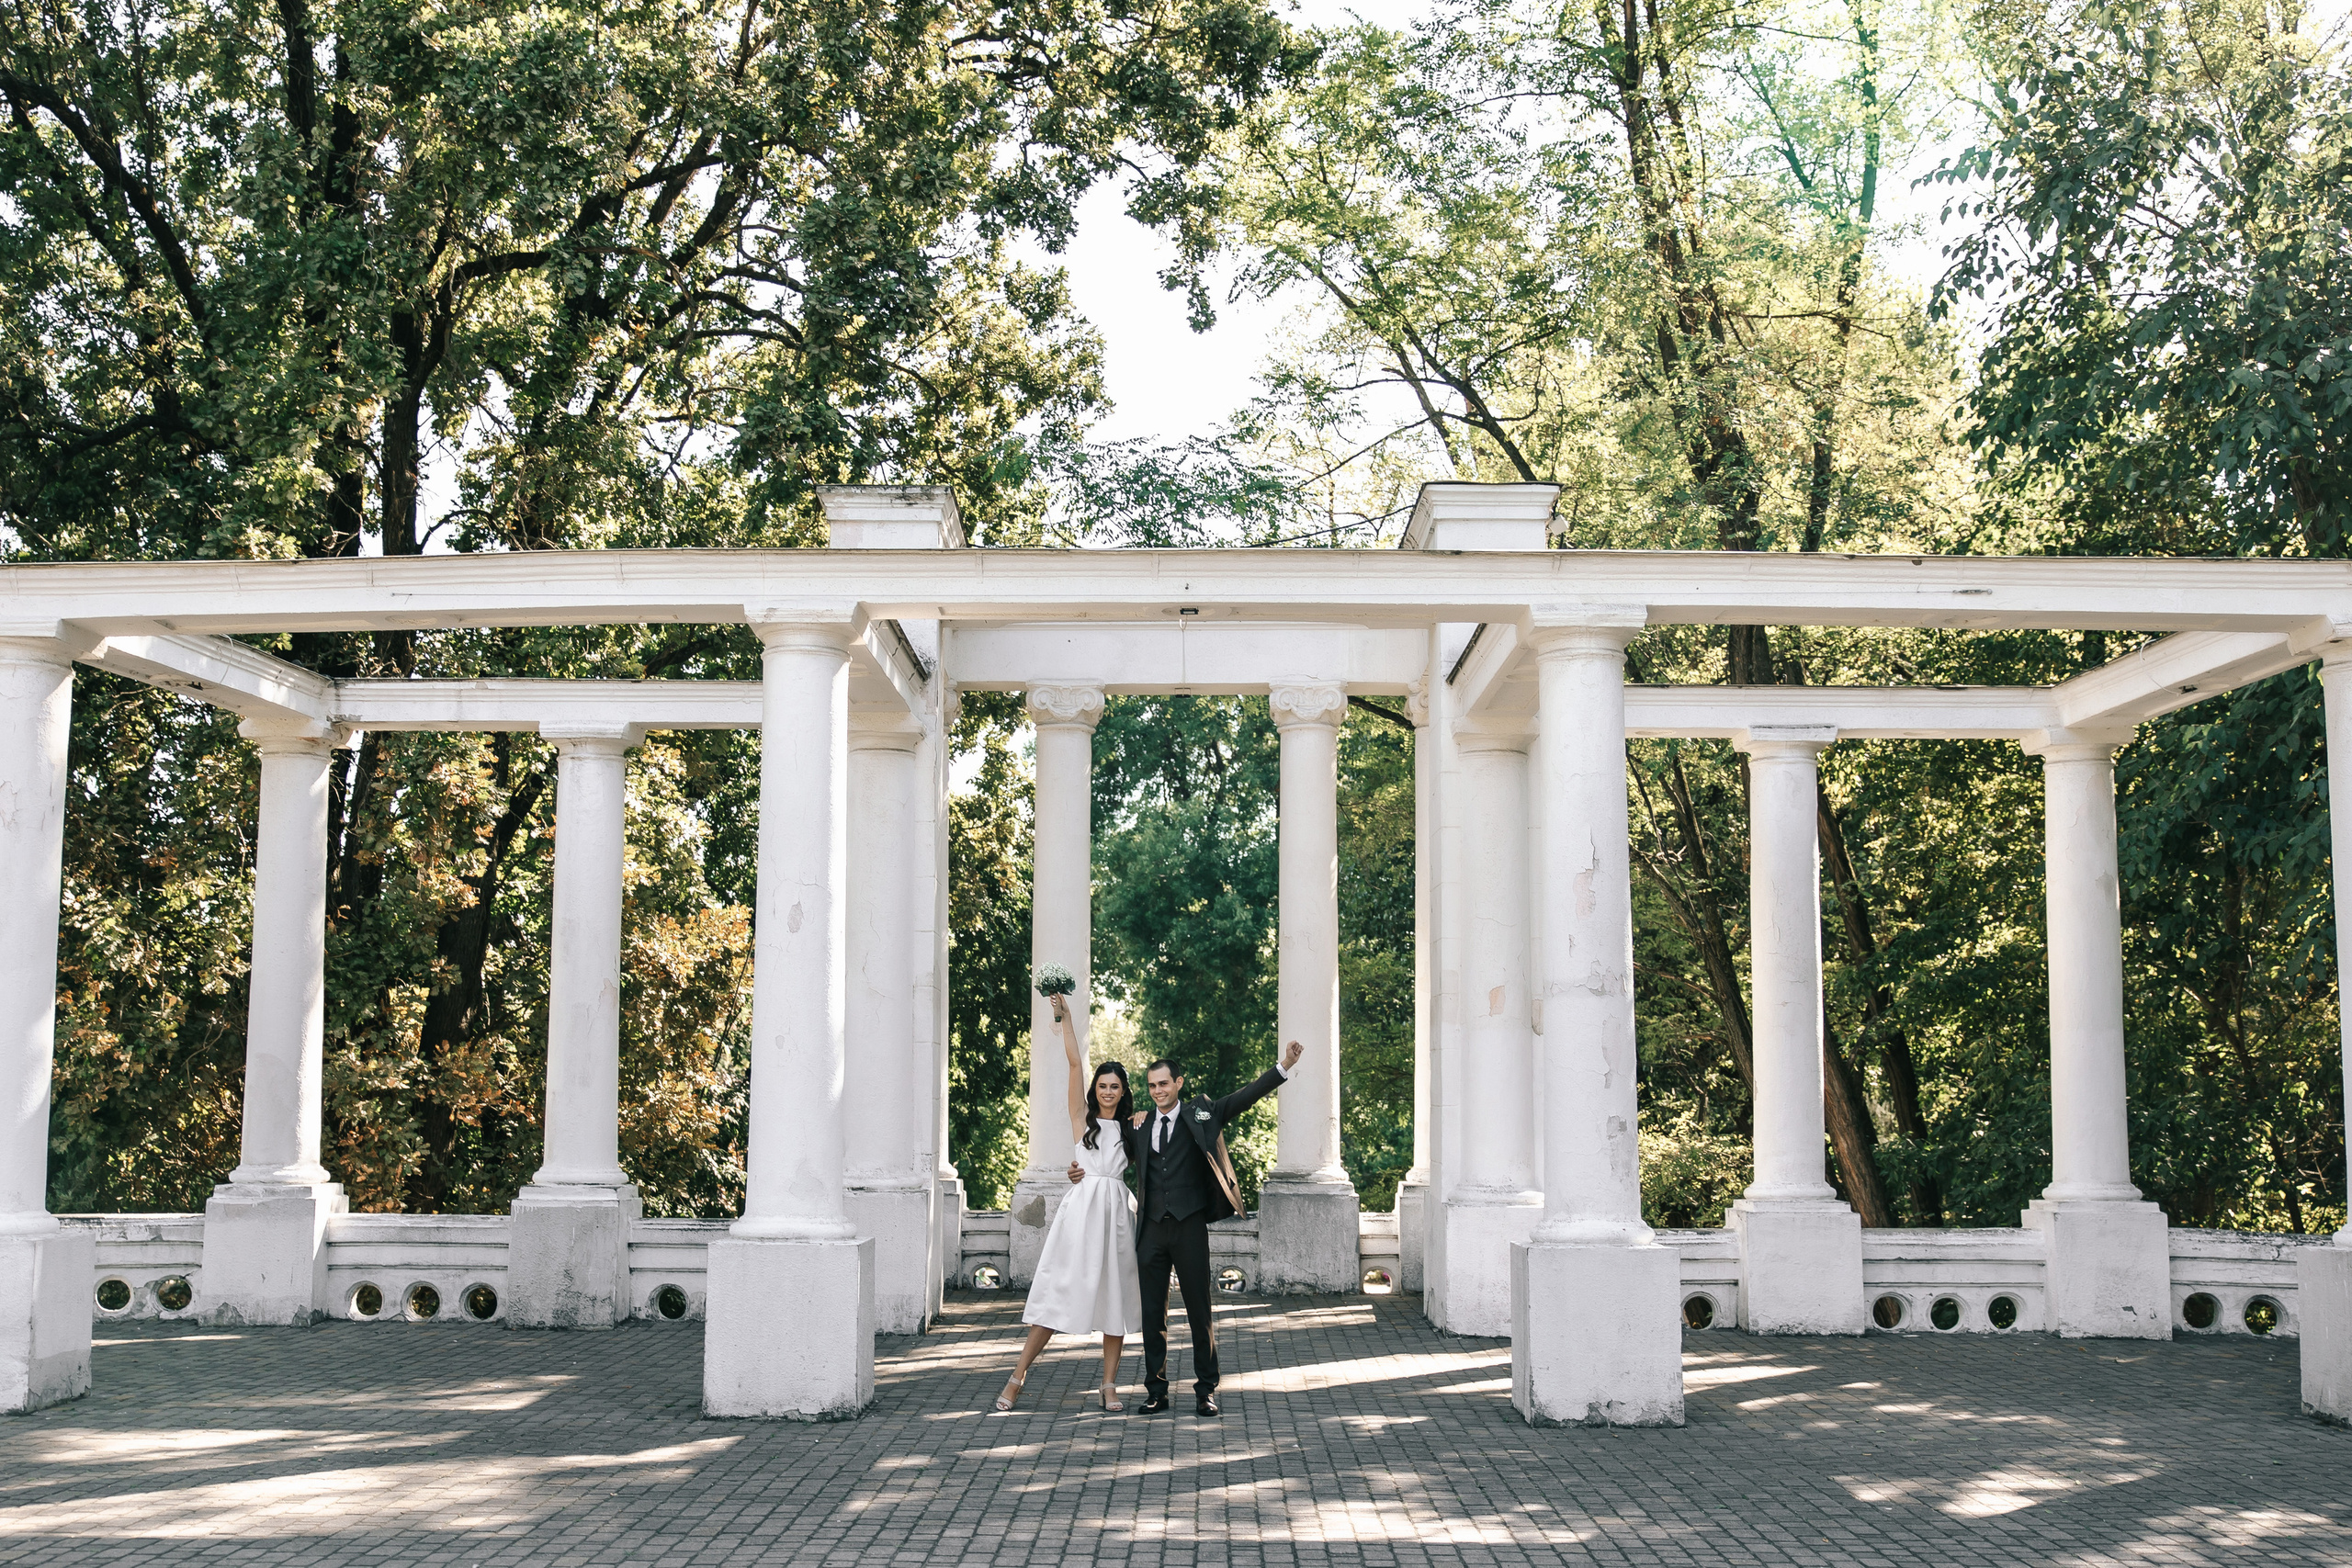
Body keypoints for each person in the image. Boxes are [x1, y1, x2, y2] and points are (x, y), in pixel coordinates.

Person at [1072, 1040, 1304, 1416]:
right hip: (1150, 1230)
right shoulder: (1138, 1125)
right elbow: (1101, 1148)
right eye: (1152, 1085)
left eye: (1164, 1084)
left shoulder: (1202, 1113)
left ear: (1178, 1083)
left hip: (1190, 1226)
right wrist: (1076, 1171)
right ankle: (1156, 1391)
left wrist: (1285, 1065)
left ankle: (1205, 1390)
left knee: (1200, 1311)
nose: (1157, 1091)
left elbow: (1245, 1097)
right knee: (1153, 1316)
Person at [995, 989, 1141, 1413]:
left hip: (1117, 1214)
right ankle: (1017, 1376)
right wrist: (1066, 1018)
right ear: (1095, 1089)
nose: (1108, 1091)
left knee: (1115, 1298)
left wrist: (1144, 1118)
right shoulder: (1083, 1118)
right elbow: (1075, 1063)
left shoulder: (1134, 1127)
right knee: (1059, 1291)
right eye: (1103, 1086)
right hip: (1082, 1212)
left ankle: (1109, 1385)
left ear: (1123, 1091)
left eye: (1115, 1087)